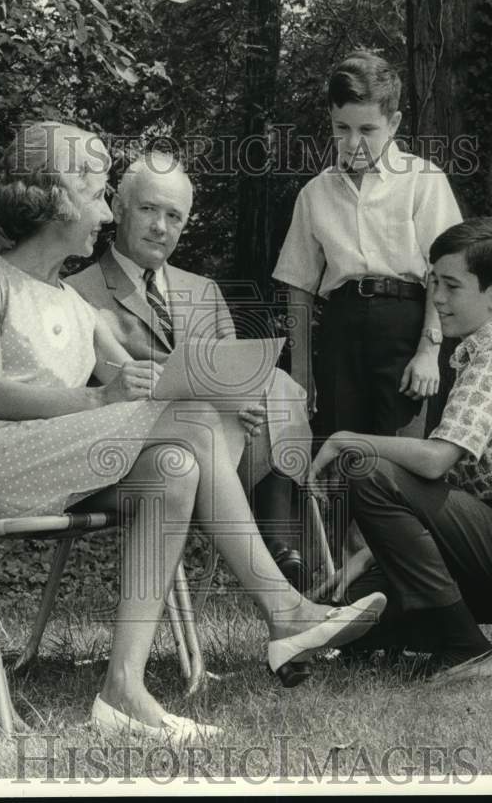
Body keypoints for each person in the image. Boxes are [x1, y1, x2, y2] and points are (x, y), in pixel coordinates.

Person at [0, 121, 386, 747]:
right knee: (192, 426)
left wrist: (177, 383)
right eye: (96, 194)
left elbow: (142, 384)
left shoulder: (76, 304)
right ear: (54, 199)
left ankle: (123, 690)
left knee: (174, 468)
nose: (104, 210)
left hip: (56, 467)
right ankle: (285, 611)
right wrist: (102, 395)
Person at [308, 217, 492, 683]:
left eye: (451, 286)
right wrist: (366, 556)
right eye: (434, 283)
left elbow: (435, 462)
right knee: (342, 616)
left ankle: (467, 651)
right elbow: (436, 496)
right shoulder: (473, 353)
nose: (436, 299)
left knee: (369, 470)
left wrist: (345, 439)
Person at [66, 152, 314, 590]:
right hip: (139, 457)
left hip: (230, 450)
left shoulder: (204, 290)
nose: (161, 227)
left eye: (174, 216)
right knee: (276, 387)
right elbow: (88, 395)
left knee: (275, 387)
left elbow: (235, 376)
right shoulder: (77, 293)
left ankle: (279, 543)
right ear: (118, 209)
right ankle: (281, 549)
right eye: (148, 209)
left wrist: (247, 403)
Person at [273, 50, 463, 442]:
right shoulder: (315, 193)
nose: (352, 142)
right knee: (341, 454)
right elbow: (298, 287)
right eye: (341, 128)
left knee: (400, 459)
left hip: (406, 326)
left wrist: (429, 350)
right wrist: (302, 373)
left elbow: (445, 271)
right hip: (340, 331)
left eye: (367, 130)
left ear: (392, 124)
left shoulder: (422, 180)